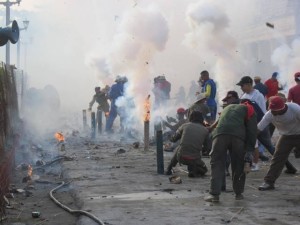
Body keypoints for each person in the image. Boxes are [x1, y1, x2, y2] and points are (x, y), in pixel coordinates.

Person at [204, 100, 257, 202]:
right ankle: (238, 194)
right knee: (238, 165)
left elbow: (218, 122)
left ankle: (214, 195)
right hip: (238, 138)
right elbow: (252, 131)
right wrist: (249, 151)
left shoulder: (228, 108)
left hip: (219, 135)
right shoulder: (250, 110)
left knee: (217, 163)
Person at [258, 96, 300, 191]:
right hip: (285, 136)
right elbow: (259, 128)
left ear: (281, 108)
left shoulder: (295, 109)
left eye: (275, 111)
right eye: (271, 110)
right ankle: (268, 182)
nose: (273, 113)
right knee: (277, 158)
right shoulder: (270, 114)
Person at [164, 111, 210, 177]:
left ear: (190, 118)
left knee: (179, 148)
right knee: (204, 170)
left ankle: (169, 169)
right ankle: (193, 171)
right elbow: (207, 148)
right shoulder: (205, 130)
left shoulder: (184, 126)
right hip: (194, 159)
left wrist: (169, 137)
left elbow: (173, 139)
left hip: (181, 157)